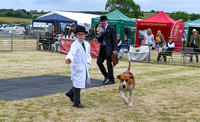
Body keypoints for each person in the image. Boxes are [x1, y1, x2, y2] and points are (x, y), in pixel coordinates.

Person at [65, 25, 91, 108]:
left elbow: (88, 55)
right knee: (77, 84)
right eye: (79, 34)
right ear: (76, 35)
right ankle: (77, 103)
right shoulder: (74, 45)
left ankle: (70, 92)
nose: (81, 36)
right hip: (77, 66)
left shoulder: (87, 44)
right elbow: (72, 53)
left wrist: (88, 62)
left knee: (79, 83)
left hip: (84, 66)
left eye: (82, 34)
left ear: (85, 35)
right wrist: (69, 59)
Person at [97, 15, 118, 85]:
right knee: (99, 62)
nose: (103, 22)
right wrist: (100, 34)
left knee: (109, 64)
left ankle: (112, 79)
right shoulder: (100, 29)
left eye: (104, 21)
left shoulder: (111, 28)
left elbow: (115, 40)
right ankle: (106, 75)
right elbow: (99, 40)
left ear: (107, 21)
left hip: (109, 49)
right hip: (102, 48)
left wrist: (115, 49)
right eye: (102, 21)